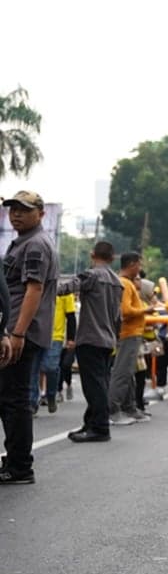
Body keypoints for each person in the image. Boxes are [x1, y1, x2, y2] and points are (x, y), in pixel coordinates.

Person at [0, 191, 56, 483]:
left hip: (20, 332)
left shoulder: (35, 245)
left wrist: (17, 332)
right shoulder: (25, 241)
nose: (16, 214)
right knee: (11, 397)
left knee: (14, 399)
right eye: (13, 209)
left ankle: (20, 466)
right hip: (18, 330)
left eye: (23, 209)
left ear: (41, 213)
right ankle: (16, 460)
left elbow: (34, 289)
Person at [54, 242, 121, 444]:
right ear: (112, 258)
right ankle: (90, 423)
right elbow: (118, 316)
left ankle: (99, 428)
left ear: (92, 254)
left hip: (91, 337)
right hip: (108, 339)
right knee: (100, 382)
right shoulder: (117, 282)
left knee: (93, 386)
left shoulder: (91, 275)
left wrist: (43, 286)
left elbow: (65, 288)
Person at [109, 252, 151, 424]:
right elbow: (125, 311)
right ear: (132, 264)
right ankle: (113, 410)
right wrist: (145, 310)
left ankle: (129, 407)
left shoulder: (125, 283)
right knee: (122, 373)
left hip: (131, 333)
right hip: (128, 333)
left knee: (128, 373)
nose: (140, 269)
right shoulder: (125, 283)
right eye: (139, 265)